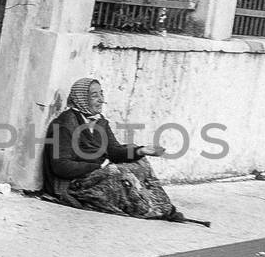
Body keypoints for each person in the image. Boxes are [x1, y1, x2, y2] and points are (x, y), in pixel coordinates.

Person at [43, 77, 184, 220]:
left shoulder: (99, 121)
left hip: (96, 173)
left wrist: (140, 151)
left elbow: (113, 150)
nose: (101, 99)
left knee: (141, 164)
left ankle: (164, 207)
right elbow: (60, 166)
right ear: (81, 99)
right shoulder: (65, 125)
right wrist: (98, 165)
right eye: (94, 95)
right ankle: (147, 209)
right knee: (116, 171)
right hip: (71, 185)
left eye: (101, 94)